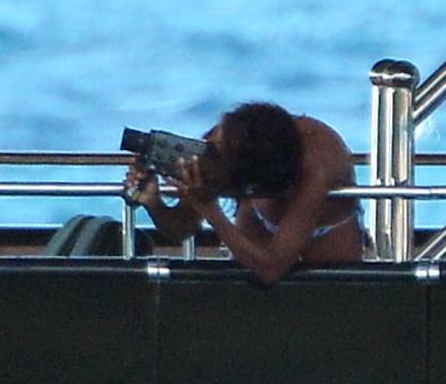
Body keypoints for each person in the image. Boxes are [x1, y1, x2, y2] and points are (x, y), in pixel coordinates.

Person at [124, 102, 366, 283]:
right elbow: (182, 228)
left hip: (327, 229)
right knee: (248, 290)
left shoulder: (317, 166)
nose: (213, 147)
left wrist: (211, 210)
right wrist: (154, 204)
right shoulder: (222, 141)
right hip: (258, 217)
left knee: (332, 295)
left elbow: (272, 269)